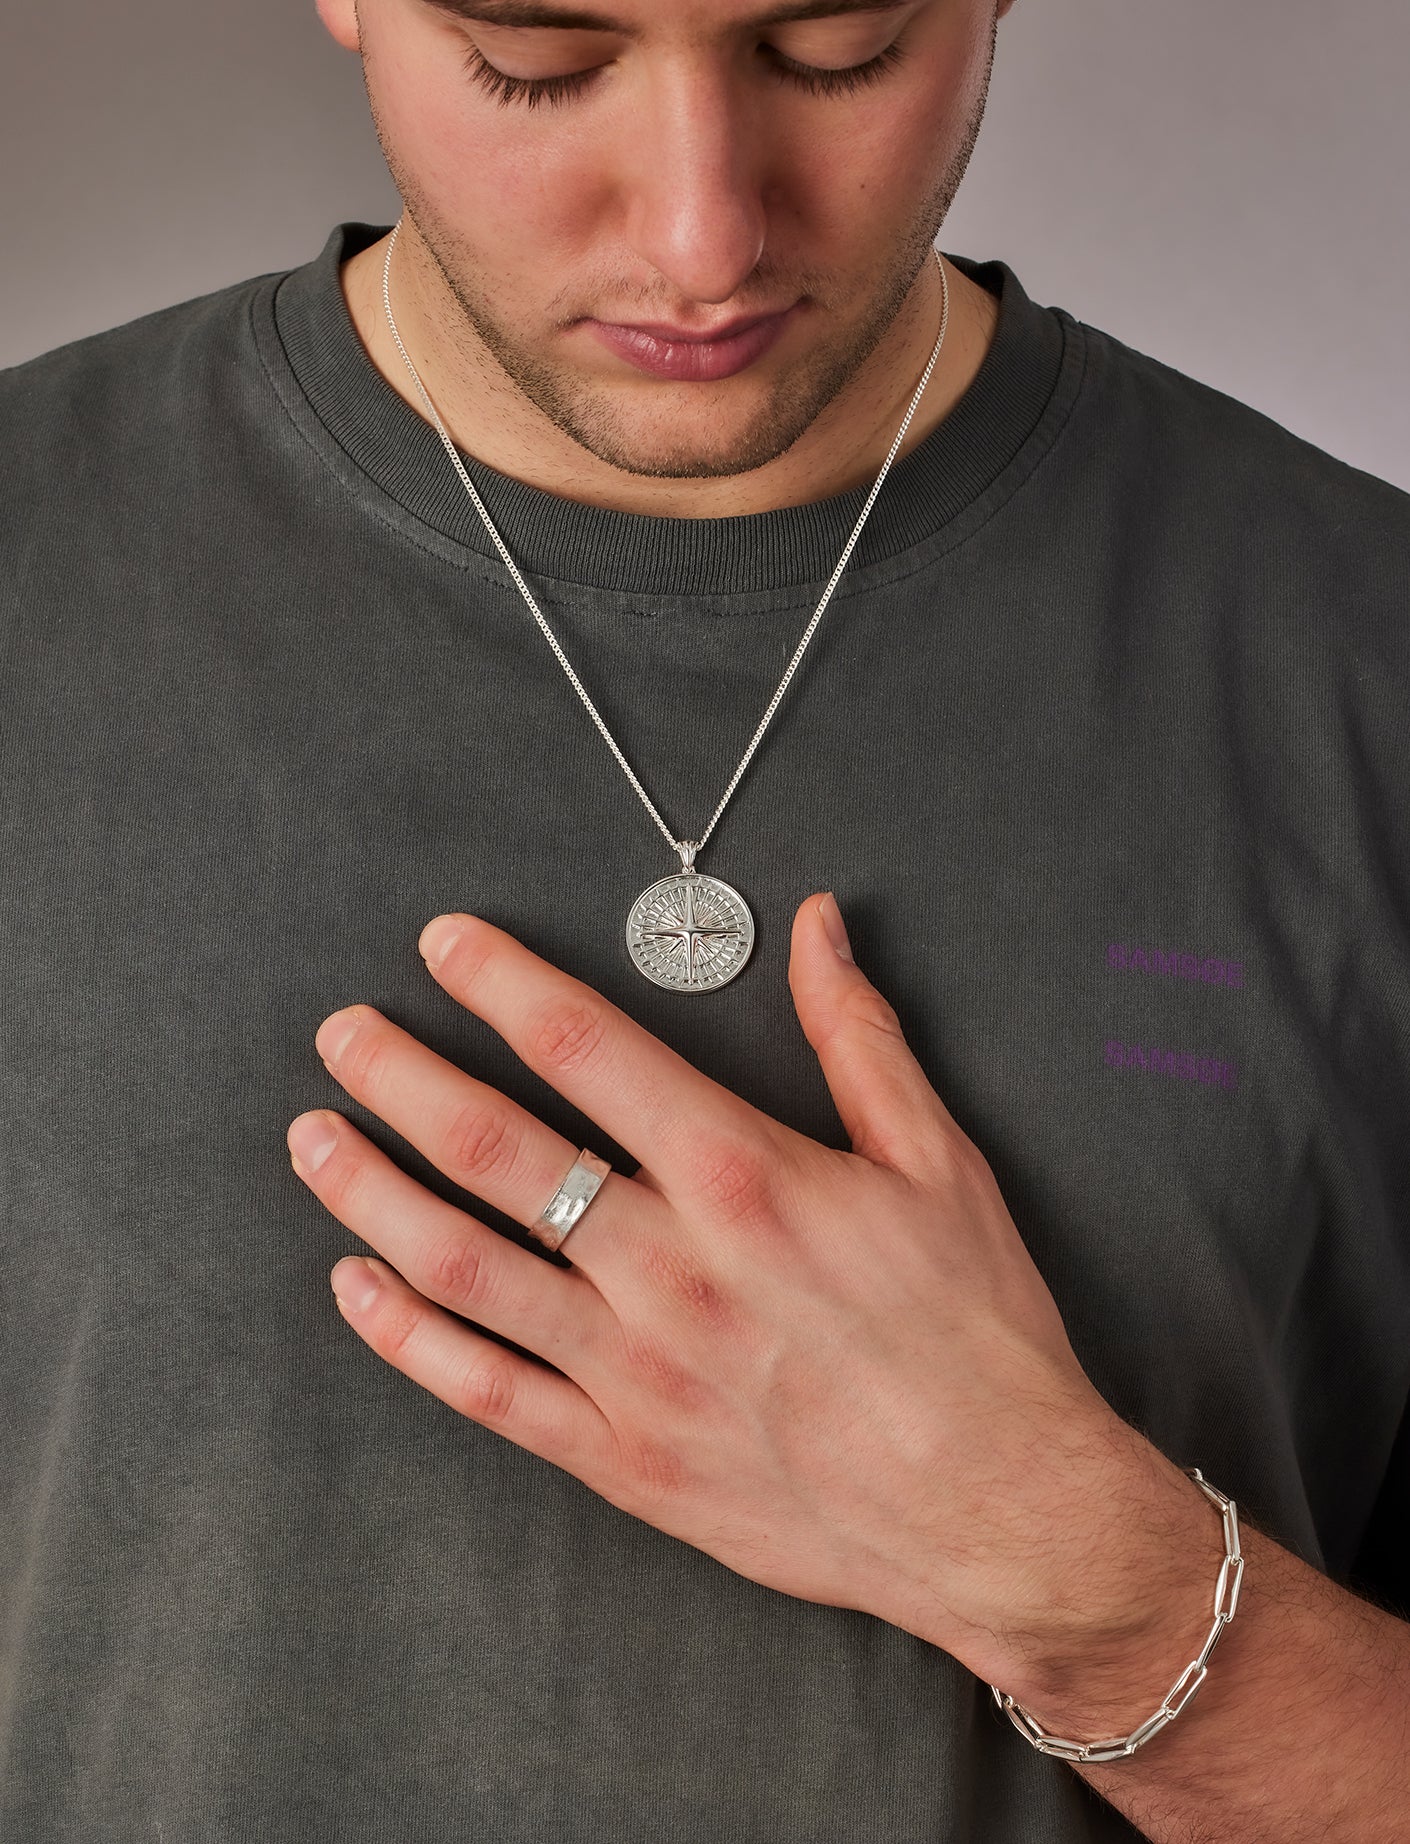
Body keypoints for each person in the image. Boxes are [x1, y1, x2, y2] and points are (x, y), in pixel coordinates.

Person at [2, 0, 1406, 1838]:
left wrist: (1090, 1585)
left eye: (834, 49)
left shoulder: (1360, 666)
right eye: (538, 60)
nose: (702, 237)